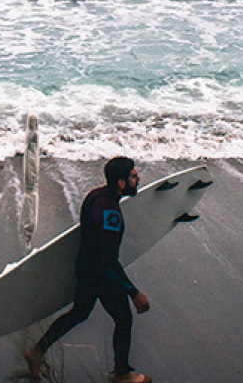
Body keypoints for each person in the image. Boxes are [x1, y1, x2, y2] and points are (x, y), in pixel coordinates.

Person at [24, 157, 151, 383]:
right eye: (134, 176)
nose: (138, 179)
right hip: (100, 274)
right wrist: (133, 292)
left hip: (85, 268)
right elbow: (107, 259)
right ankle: (122, 373)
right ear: (121, 183)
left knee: (79, 313)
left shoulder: (96, 196)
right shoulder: (110, 212)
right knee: (123, 319)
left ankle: (36, 351)